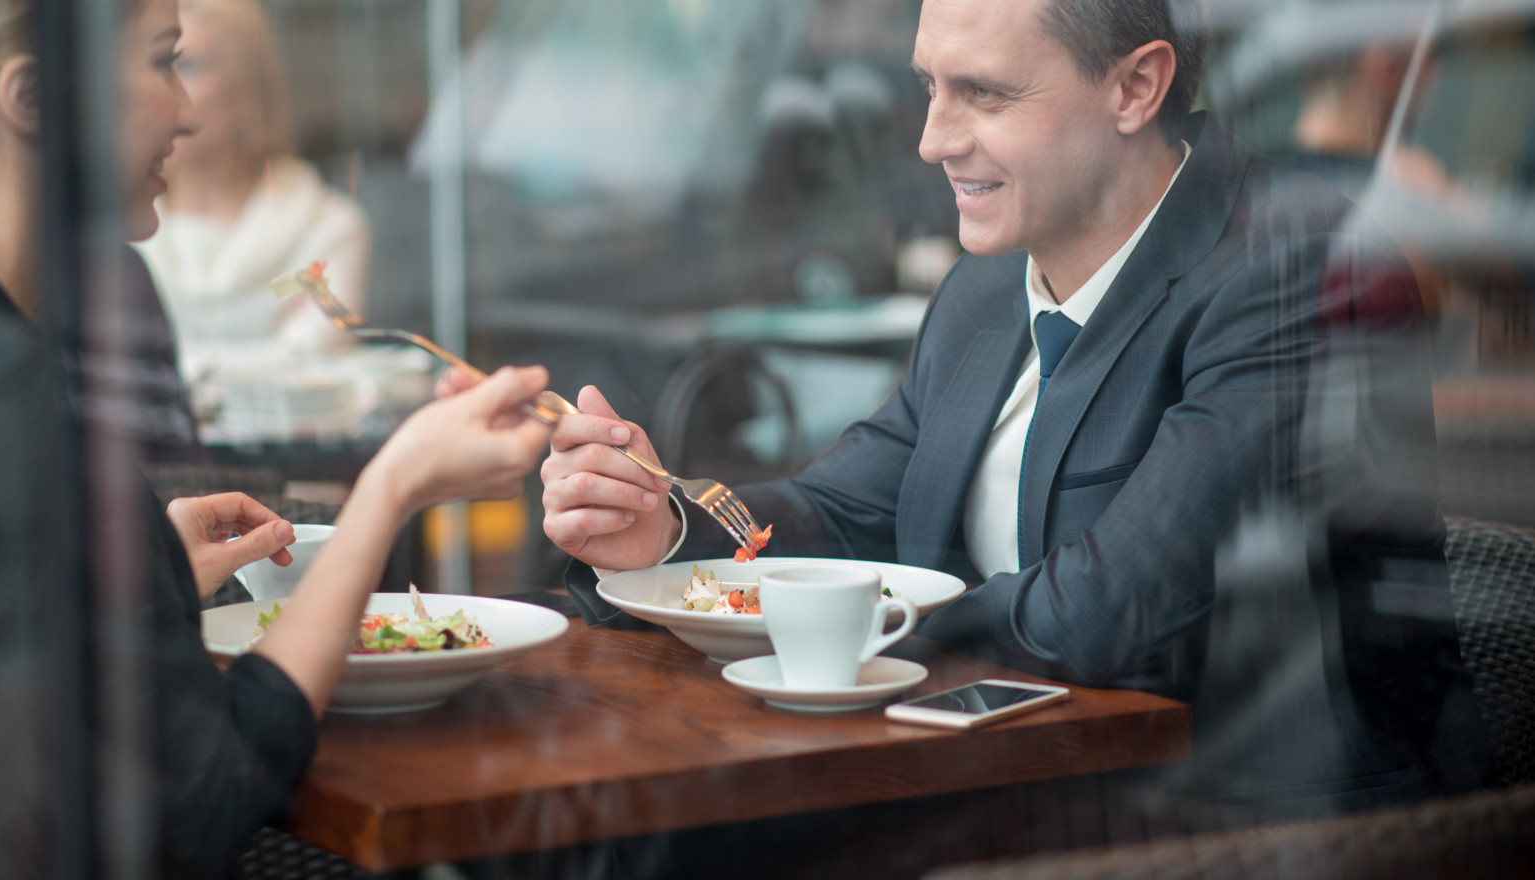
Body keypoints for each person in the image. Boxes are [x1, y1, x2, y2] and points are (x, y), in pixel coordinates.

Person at [512, 0, 1490, 838]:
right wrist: (672, 528)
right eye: (931, 86)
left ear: (1136, 88)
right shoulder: (984, 290)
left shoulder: (1290, 263)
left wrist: (850, 616)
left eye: (983, 93)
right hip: (1027, 789)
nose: (933, 137)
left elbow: (1112, 612)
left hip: (1248, 827)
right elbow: (850, 505)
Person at [0, 0, 551, 876]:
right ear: (36, 94)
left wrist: (143, 563)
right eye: (164, 61)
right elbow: (203, 802)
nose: (187, 112)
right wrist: (391, 491)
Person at [132, 0, 370, 377]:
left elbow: (314, 360)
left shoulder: (326, 228)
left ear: (248, 93)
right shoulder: (123, 227)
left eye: (187, 66)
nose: (168, 95)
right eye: (161, 65)